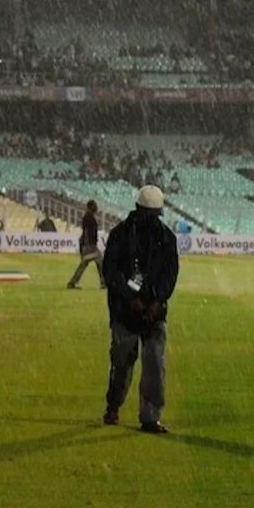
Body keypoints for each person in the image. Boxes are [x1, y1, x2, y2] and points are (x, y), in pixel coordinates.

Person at [102, 185, 179, 433]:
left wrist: (157, 302)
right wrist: (130, 297)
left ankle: (150, 417)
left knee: (155, 362)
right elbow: (112, 273)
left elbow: (170, 276)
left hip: (154, 312)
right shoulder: (120, 236)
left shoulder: (167, 238)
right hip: (125, 311)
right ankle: (114, 404)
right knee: (122, 361)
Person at [67, 200, 102, 290]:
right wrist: (87, 246)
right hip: (90, 246)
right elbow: (87, 232)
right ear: (91, 207)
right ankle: (104, 283)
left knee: (85, 264)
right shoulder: (88, 218)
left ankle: (72, 282)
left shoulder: (88, 217)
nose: (96, 207)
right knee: (100, 262)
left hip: (88, 244)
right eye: (95, 206)